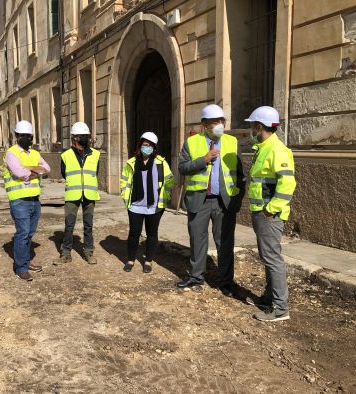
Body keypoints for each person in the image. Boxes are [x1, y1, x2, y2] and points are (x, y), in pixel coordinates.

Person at [177, 104, 245, 296]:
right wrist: (203, 160)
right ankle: (196, 276)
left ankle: (226, 282)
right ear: (204, 125)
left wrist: (237, 199)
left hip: (224, 202)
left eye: (221, 121)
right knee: (198, 240)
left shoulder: (232, 142)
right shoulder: (191, 142)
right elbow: (182, 168)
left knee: (224, 242)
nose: (220, 125)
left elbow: (241, 174)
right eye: (215, 122)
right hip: (199, 200)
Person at [245, 106, 296, 322]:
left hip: (269, 215)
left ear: (259, 126)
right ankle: (269, 298)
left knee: (272, 258)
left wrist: (271, 209)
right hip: (261, 212)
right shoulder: (263, 147)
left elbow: (288, 183)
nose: (251, 130)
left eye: (252, 126)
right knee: (267, 257)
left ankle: (280, 307)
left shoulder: (277, 150)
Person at [2, 120, 51, 281]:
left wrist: (29, 170)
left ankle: (26, 261)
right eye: (23, 135)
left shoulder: (35, 153)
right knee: (22, 233)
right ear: (16, 136)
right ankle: (20, 268)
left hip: (34, 200)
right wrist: (35, 170)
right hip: (19, 200)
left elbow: (48, 169)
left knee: (29, 233)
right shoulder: (12, 153)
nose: (26, 138)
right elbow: (18, 173)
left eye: (29, 136)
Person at [120, 132, 174, 273]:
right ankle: (130, 260)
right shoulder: (131, 163)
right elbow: (124, 180)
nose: (147, 148)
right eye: (145, 145)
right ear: (140, 145)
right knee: (134, 234)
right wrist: (125, 197)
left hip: (154, 206)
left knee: (152, 234)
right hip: (135, 206)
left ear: (154, 148)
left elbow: (169, 181)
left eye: (150, 146)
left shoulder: (161, 163)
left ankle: (148, 261)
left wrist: (164, 198)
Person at [57, 122, 100, 265]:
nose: (86, 138)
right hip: (72, 195)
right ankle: (65, 253)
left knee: (88, 225)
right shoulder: (65, 155)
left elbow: (95, 173)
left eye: (86, 136)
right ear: (74, 137)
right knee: (69, 225)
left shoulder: (95, 154)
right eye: (83, 136)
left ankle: (88, 252)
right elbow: (64, 174)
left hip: (89, 194)